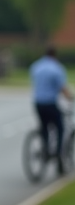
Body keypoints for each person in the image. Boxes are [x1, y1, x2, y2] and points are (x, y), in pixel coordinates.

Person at [30, 46, 72, 174]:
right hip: (50, 103)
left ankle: (45, 150)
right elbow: (62, 88)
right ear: (55, 55)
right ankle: (58, 156)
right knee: (60, 128)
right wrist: (70, 97)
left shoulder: (36, 66)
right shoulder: (56, 68)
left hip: (38, 103)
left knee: (44, 127)